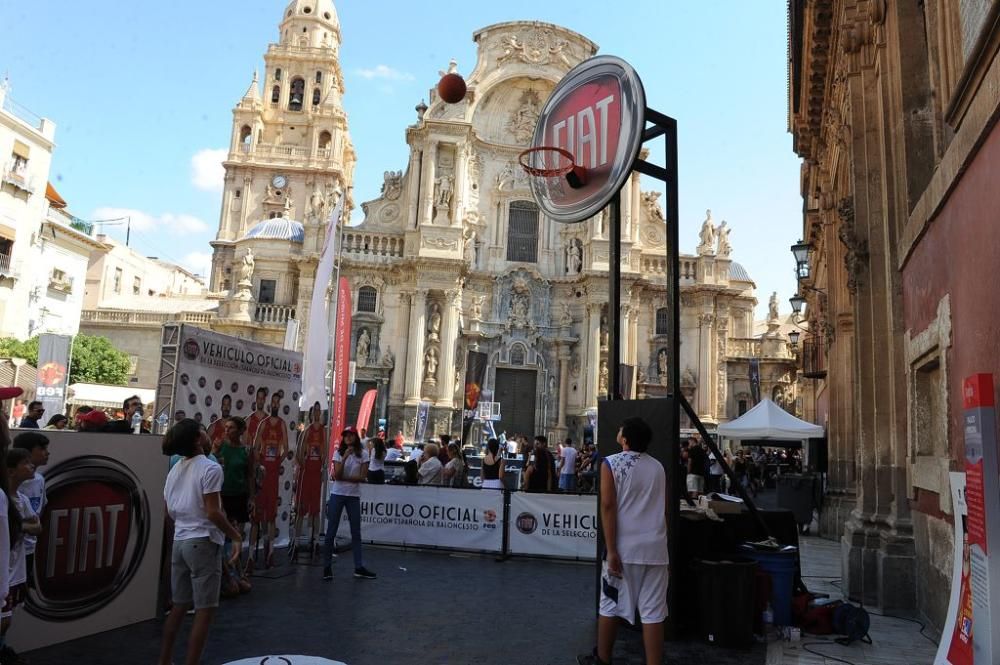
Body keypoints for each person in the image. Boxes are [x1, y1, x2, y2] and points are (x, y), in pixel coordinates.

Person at [578, 417, 668, 665]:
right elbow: (662, 509)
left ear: (625, 439)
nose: (617, 431)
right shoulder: (659, 467)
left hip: (625, 548)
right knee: (653, 613)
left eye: (620, 429)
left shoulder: (611, 463)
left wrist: (612, 549)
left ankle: (602, 658)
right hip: (656, 548)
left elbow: (607, 505)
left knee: (609, 604)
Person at [158, 419, 242, 665]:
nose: (208, 435)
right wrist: (234, 535)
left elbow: (169, 510)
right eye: (203, 431)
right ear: (197, 439)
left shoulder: (175, 470)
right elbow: (213, 512)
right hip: (202, 542)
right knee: (205, 611)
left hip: (180, 542)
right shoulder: (210, 468)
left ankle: (164, 660)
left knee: (179, 606)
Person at [322, 428, 376, 581]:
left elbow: (362, 477)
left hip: (353, 496)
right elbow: (335, 475)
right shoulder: (338, 453)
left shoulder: (364, 454)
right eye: (345, 436)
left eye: (350, 435)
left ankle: (358, 567)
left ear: (355, 437)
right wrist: (345, 457)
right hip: (338, 494)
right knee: (331, 531)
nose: (347, 438)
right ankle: (327, 567)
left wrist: (344, 477)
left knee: (356, 532)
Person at [2, 447, 36, 665]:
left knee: (7, 618)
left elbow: (37, 525)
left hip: (15, 566)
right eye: (25, 462)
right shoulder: (4, 498)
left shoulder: (21, 499)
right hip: (6, 567)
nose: (31, 466)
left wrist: (20, 526)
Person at [213, 416, 253, 595]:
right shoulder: (220, 447)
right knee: (222, 536)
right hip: (222, 497)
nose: (227, 431)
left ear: (241, 430)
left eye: (231, 428)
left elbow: (250, 475)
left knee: (237, 536)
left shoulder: (246, 450)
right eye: (226, 427)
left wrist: (251, 498)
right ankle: (225, 575)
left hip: (239, 496)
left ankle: (238, 572)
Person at [249, 391, 288, 569]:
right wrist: (260, 463)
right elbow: (255, 447)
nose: (274, 405)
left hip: (273, 476)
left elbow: (286, 449)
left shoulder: (282, 424)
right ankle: (250, 555)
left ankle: (270, 553)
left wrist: (277, 461)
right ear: (269, 404)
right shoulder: (263, 424)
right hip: (262, 473)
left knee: (271, 517)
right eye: (272, 402)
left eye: (276, 402)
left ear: (279, 405)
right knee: (256, 517)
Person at [12, 432, 47, 587]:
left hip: (28, 549)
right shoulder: (7, 492)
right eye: (42, 448)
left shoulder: (39, 480)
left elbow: (38, 515)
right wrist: (24, 525)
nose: (47, 452)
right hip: (12, 550)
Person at [294, 403, 326, 554]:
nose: (317, 414)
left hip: (316, 474)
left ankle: (315, 539)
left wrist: (322, 467)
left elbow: (325, 451)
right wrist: (303, 467)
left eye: (319, 411)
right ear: (312, 414)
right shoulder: (307, 430)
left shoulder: (323, 431)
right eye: (315, 411)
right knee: (301, 508)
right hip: (306, 474)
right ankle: (297, 540)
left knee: (315, 509)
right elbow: (299, 451)